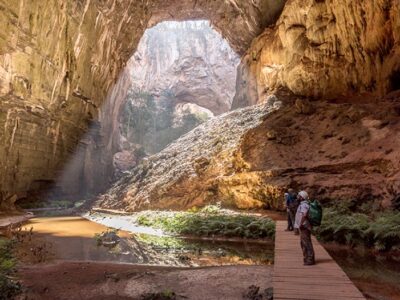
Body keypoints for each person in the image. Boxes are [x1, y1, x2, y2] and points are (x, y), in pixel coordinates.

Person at [294, 190, 315, 265]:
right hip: (303, 226)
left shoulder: (304, 205)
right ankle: (306, 258)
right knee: (303, 242)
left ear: (302, 197)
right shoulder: (303, 204)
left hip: (304, 226)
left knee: (306, 243)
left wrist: (300, 223)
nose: (297, 197)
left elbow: (304, 215)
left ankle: (310, 259)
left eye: (299, 196)